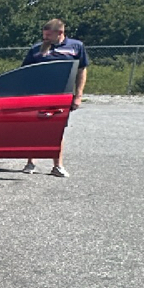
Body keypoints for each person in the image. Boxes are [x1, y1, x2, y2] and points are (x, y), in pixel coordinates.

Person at [20, 18, 87, 178]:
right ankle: (30, 162)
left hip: (62, 96)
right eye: (44, 36)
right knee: (34, 129)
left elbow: (82, 71)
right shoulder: (36, 49)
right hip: (38, 95)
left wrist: (78, 95)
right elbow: (25, 71)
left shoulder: (76, 47)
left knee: (58, 131)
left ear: (60, 33)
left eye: (48, 36)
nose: (45, 39)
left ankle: (57, 165)